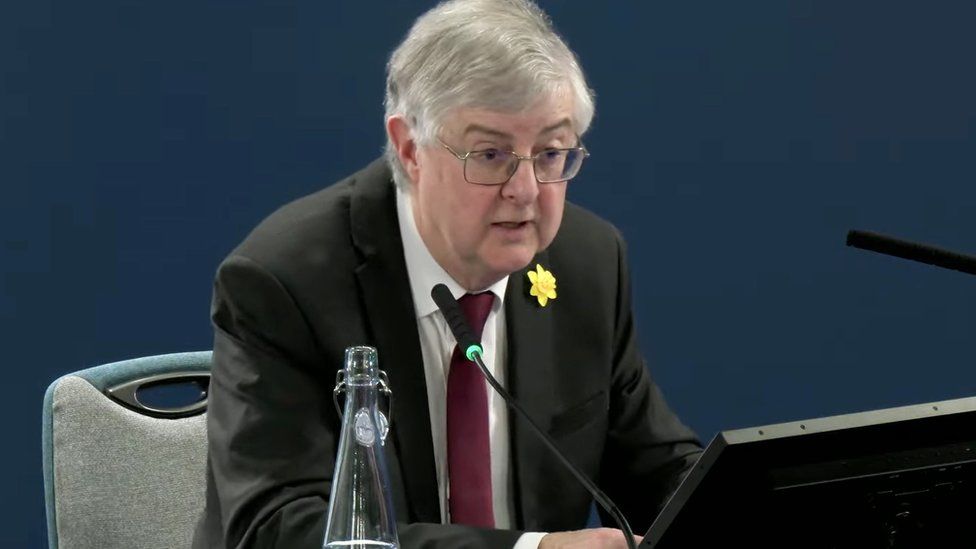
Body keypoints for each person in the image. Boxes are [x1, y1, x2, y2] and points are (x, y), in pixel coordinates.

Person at [193, 1, 702, 548]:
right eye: (490, 154)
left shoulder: (588, 262)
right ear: (409, 148)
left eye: (551, 153)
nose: (526, 190)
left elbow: (654, 468)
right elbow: (278, 529)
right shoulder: (286, 280)